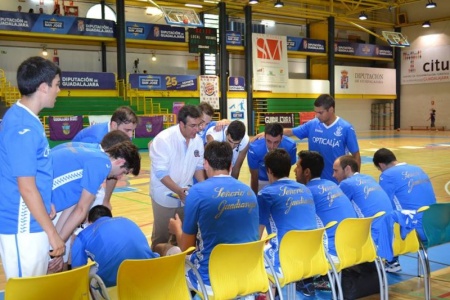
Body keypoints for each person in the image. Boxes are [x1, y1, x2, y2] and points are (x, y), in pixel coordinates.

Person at [0, 56, 65, 279]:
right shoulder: (22, 127)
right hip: (22, 227)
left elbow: (33, 178)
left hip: (31, 221)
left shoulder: (27, 119)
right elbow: (26, 188)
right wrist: (53, 232)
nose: (59, 90)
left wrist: (45, 202)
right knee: (25, 292)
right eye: (57, 85)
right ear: (43, 87)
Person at [168, 141, 259, 293]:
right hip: (247, 273)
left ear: (205, 164)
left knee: (171, 252)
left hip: (210, 280)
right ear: (230, 166)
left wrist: (177, 229)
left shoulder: (196, 193)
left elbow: (187, 248)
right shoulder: (249, 192)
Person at [49, 140, 141, 271]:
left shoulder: (93, 151)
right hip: (31, 202)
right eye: (124, 172)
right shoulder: (102, 165)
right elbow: (81, 211)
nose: (119, 177)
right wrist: (57, 247)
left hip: (38, 196)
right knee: (42, 266)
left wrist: (56, 244)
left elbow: (72, 208)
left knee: (48, 260)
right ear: (120, 161)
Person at [256, 94, 360, 184]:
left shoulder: (346, 128)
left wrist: (356, 178)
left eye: (320, 112)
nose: (317, 115)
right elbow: (291, 131)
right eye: (315, 112)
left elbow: (356, 155)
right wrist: (268, 133)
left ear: (331, 110)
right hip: (313, 180)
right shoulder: (313, 124)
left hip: (336, 181)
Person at [149, 105, 205, 256]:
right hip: (164, 196)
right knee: (161, 238)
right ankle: (159, 267)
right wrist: (178, 190)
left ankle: (180, 268)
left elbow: (198, 168)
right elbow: (161, 173)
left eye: (199, 125)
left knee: (183, 235)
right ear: (181, 124)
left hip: (185, 196)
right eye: (193, 126)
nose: (197, 129)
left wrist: (206, 186)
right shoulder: (163, 140)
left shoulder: (198, 141)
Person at [373, 148, 436, 272]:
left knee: (383, 217)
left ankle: (391, 261)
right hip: (435, 224)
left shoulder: (387, 175)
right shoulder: (417, 168)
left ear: (381, 165)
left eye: (379, 169)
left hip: (416, 229)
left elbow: (385, 202)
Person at [258, 148, 317, 275]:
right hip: (312, 255)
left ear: (269, 171)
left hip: (284, 260)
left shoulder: (266, 194)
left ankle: (266, 294)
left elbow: (257, 235)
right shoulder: (305, 190)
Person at [71, 205, 158, 287]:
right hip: (148, 271)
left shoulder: (83, 235)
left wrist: (73, 244)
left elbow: (77, 272)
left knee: (85, 275)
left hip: (116, 283)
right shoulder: (127, 220)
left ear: (90, 222)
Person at [295, 150, 357, 261]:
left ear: (307, 172)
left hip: (332, 253)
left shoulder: (305, 193)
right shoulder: (332, 184)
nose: (295, 170)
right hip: (355, 247)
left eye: (298, 167)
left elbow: (298, 228)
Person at [332, 155, 393, 247]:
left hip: (373, 238)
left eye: (336, 171)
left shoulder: (346, 184)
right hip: (392, 234)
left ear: (347, 169)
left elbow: (334, 208)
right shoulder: (369, 178)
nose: (333, 175)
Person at [248, 122, 297, 194]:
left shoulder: (290, 146)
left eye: (276, 142)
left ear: (282, 138)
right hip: (261, 180)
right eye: (269, 141)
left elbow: (287, 171)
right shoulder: (254, 148)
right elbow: (254, 177)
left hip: (280, 180)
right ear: (264, 136)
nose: (272, 146)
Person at [72, 106, 138, 144]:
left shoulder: (123, 136)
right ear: (114, 125)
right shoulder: (97, 139)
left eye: (132, 131)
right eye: (127, 130)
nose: (130, 135)